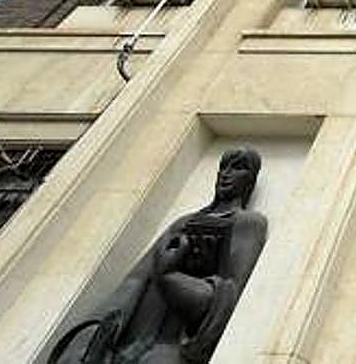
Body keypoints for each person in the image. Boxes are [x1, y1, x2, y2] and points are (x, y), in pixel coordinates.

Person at [50, 147, 267, 363]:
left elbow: (226, 298)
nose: (226, 173)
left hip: (170, 348)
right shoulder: (182, 223)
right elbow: (135, 281)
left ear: (250, 182)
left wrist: (169, 275)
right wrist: (92, 334)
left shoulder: (248, 224)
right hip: (132, 344)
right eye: (223, 167)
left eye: (238, 167)